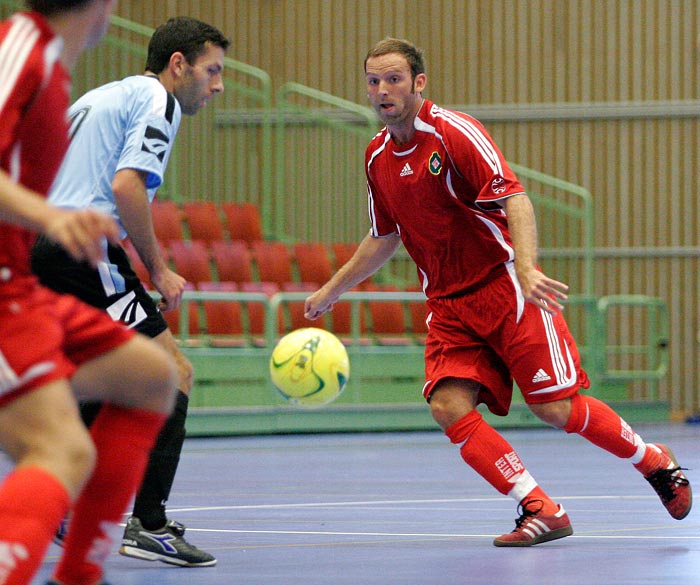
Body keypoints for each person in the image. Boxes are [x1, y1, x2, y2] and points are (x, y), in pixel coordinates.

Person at [304, 37, 692, 546]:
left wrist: (527, 268)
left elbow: (516, 198)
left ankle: (654, 462)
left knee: (555, 409)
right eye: (373, 81)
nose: (382, 90)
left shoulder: (454, 133)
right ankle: (540, 506)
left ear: (419, 83)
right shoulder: (376, 156)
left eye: (394, 78)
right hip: (446, 304)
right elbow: (384, 236)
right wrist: (332, 290)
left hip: (502, 287)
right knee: (448, 407)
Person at [30, 16, 229, 568]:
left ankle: (61, 499)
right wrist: (160, 271)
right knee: (172, 373)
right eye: (212, 72)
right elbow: (126, 186)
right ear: (178, 65)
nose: (217, 86)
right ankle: (150, 524)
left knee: (93, 377)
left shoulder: (99, 96)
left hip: (39, 244)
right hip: (81, 246)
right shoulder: (156, 100)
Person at [0, 1, 179, 584]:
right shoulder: (22, 51)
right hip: (5, 293)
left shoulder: (55, 69)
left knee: (153, 377)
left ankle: (79, 573)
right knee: (62, 451)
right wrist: (54, 218)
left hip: (23, 284)